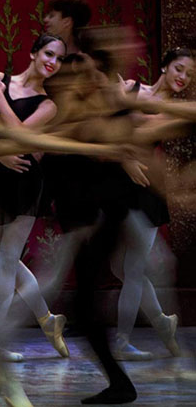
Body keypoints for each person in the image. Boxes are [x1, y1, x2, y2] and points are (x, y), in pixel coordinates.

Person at [0, 33, 70, 362]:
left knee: (7, 262)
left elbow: (20, 134)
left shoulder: (48, 104)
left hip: (25, 180)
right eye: (49, 53)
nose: (53, 62)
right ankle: (48, 320)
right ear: (33, 52)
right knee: (3, 261)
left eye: (59, 58)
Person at [110, 47, 193, 360]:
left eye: (189, 75)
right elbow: (108, 130)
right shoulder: (133, 88)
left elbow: (142, 128)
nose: (183, 77)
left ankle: (121, 342)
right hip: (120, 187)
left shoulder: (174, 110)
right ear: (165, 66)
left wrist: (122, 105)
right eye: (179, 69)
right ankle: (161, 321)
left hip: (146, 191)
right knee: (116, 266)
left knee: (133, 268)